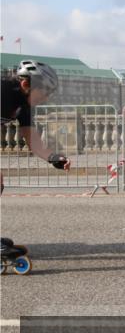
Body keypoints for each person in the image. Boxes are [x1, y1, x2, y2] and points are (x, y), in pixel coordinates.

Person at [1, 60, 71, 271]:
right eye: (46, 92)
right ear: (26, 84)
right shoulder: (3, 91)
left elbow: (32, 138)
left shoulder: (24, 104)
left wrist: (52, 157)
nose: (47, 98)